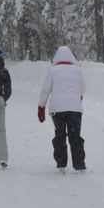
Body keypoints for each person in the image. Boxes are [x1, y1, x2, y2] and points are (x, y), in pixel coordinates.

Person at [38, 45, 87, 173]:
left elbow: (45, 91)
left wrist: (41, 107)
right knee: (75, 136)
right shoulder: (77, 71)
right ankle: (79, 164)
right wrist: (77, 98)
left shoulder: (52, 71)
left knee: (60, 136)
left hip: (57, 109)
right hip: (75, 109)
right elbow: (82, 88)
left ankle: (61, 163)